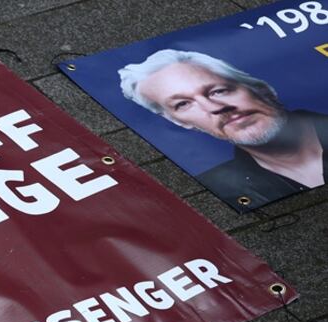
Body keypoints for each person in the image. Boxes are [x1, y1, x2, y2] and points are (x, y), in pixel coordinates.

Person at [119, 49, 326, 208]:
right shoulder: (223, 188)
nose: (214, 108)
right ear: (179, 122)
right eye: (183, 104)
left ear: (260, 88)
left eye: (219, 91)